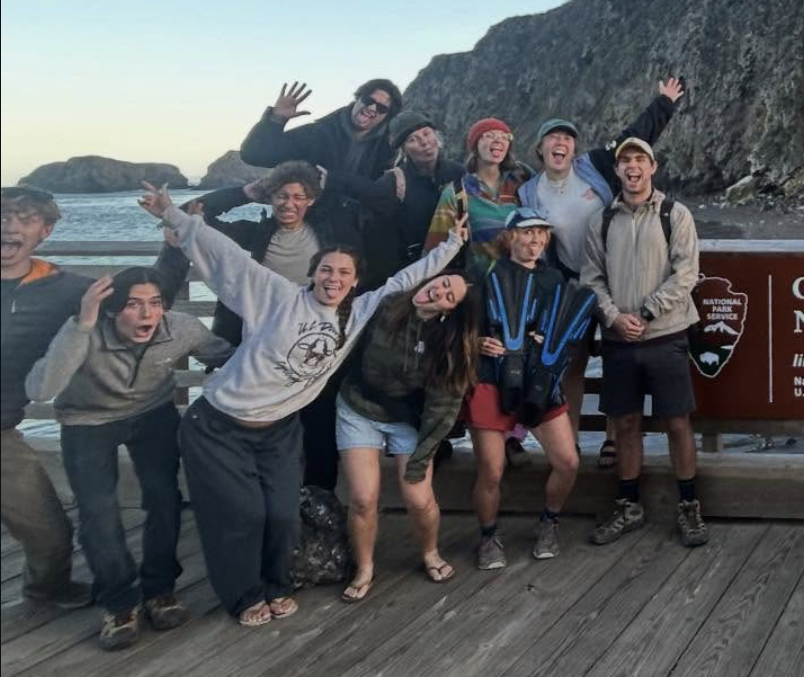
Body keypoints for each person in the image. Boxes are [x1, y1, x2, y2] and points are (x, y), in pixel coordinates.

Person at [138, 183, 467, 627]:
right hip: (219, 424)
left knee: (282, 512)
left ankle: (277, 584)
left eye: (344, 274)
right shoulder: (276, 296)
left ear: (355, 281)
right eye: (327, 270)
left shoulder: (360, 310)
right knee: (241, 515)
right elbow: (226, 257)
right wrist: (174, 214)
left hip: (278, 430)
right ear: (314, 272)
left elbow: (406, 279)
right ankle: (244, 594)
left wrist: (452, 244)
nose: (334, 279)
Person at [25, 268, 233, 648]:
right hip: (87, 420)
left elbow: (229, 357)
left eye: (154, 304)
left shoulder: (181, 328)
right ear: (111, 309)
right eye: (134, 305)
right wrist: (82, 324)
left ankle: (159, 589)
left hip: (153, 414)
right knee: (98, 512)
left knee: (165, 500)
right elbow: (41, 389)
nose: (147, 314)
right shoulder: (83, 331)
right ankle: (119, 601)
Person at [517, 78, 684, 453]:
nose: (560, 144)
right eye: (553, 139)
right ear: (540, 148)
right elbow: (529, 244)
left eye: (567, 139)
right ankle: (570, 439)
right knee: (572, 363)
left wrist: (664, 103)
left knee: (616, 356)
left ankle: (612, 439)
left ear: (573, 147)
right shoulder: (530, 191)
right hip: (570, 287)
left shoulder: (593, 166)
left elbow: (634, 137)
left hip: (614, 279)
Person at [179, 160, 341, 489]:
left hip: (309, 340)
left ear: (311, 200)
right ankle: (260, 492)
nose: (289, 204)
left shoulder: (327, 232)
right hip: (261, 344)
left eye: (299, 196)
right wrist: (245, 191)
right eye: (282, 195)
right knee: (265, 422)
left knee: (318, 425)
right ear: (270, 198)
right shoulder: (254, 234)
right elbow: (191, 211)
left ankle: (320, 502)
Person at [581, 137, 705, 548]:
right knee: (626, 424)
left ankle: (689, 506)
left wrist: (647, 312)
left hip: (667, 335)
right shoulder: (601, 220)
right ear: (616, 171)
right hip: (619, 340)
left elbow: (686, 274)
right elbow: (591, 279)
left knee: (677, 422)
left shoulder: (676, 214)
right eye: (625, 161)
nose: (632, 167)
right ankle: (629, 505)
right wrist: (614, 318)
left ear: (653, 167)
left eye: (640, 160)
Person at [334, 270, 480, 601]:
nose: (438, 292)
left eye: (448, 296)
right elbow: (340, 321)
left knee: (418, 497)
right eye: (441, 283)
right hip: (359, 406)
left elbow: (441, 412)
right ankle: (364, 567)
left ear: (449, 311)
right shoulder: (386, 306)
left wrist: (421, 460)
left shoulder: (448, 346)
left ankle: (429, 551)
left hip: (407, 420)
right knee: (362, 498)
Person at [464, 208, 597, 570]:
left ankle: (549, 521)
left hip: (539, 380)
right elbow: (459, 328)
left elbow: (567, 331)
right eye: (526, 233)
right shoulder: (485, 274)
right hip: (492, 380)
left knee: (568, 462)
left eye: (540, 234)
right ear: (511, 238)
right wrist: (477, 344)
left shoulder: (554, 279)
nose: (534, 240)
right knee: (491, 470)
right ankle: (489, 535)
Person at [0, 186, 93, 608]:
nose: (10, 227)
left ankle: (45, 590)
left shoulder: (62, 286)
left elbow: (139, 293)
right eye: (3, 216)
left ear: (45, 231)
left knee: (50, 533)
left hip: (2, 434)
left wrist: (178, 236)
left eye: (25, 219)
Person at [239, 78, 403, 238]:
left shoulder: (389, 151)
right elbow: (255, 154)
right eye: (369, 100)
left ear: (386, 116)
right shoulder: (317, 133)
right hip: (308, 232)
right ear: (358, 98)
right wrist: (276, 119)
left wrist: (333, 180)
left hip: (356, 236)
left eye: (381, 108)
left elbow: (384, 198)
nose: (372, 108)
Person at [335, 110, 463, 282]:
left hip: (453, 266)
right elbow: (373, 236)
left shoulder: (458, 172)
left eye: (426, 133)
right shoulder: (392, 183)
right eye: (412, 140)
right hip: (408, 272)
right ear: (403, 150)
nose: (424, 142)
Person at [424, 120, 533, 271]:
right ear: (474, 146)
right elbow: (434, 250)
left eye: (504, 136)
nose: (498, 140)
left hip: (530, 280)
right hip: (484, 286)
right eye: (489, 135)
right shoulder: (457, 193)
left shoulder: (523, 181)